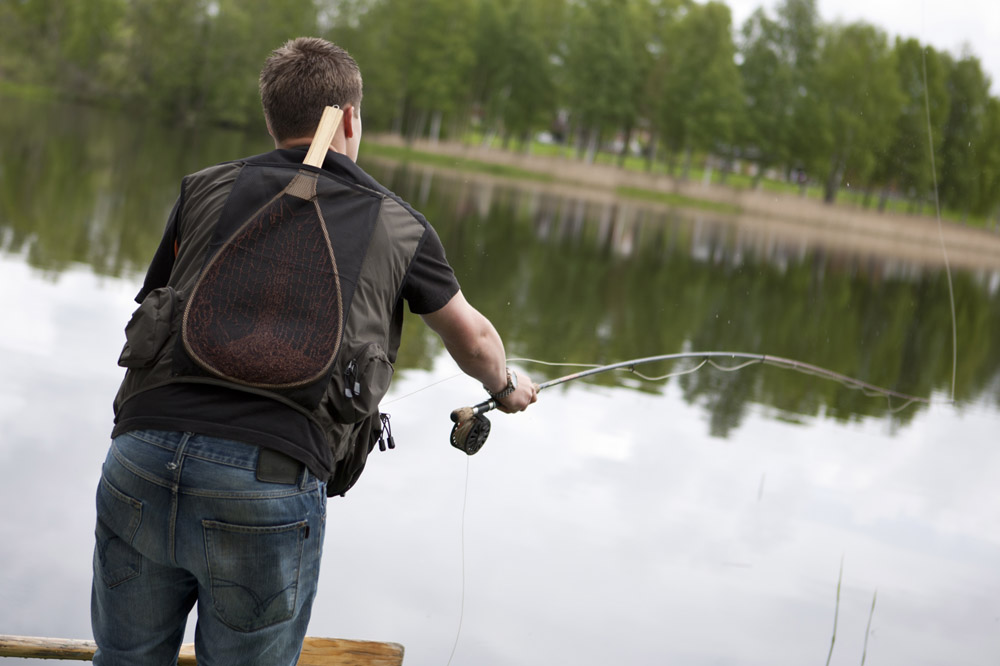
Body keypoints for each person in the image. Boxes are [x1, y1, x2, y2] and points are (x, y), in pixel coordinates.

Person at [91, 36, 537, 666]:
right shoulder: (400, 224)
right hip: (266, 485)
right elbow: (475, 338)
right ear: (349, 118)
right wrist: (506, 386)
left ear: (272, 118)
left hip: (138, 457)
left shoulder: (204, 190)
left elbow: (160, 303)